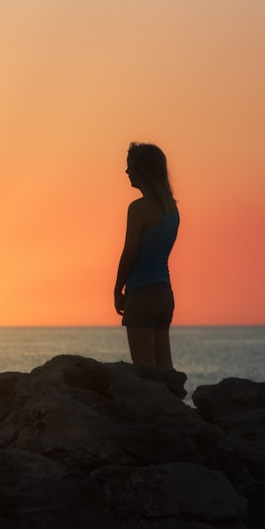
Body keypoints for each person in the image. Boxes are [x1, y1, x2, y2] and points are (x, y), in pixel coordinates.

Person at [113, 142, 179, 369]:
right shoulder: (171, 208)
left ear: (143, 169)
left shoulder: (139, 208)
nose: (127, 172)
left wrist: (117, 289)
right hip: (163, 295)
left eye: (130, 166)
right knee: (165, 370)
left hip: (141, 293)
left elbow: (130, 253)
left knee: (146, 371)